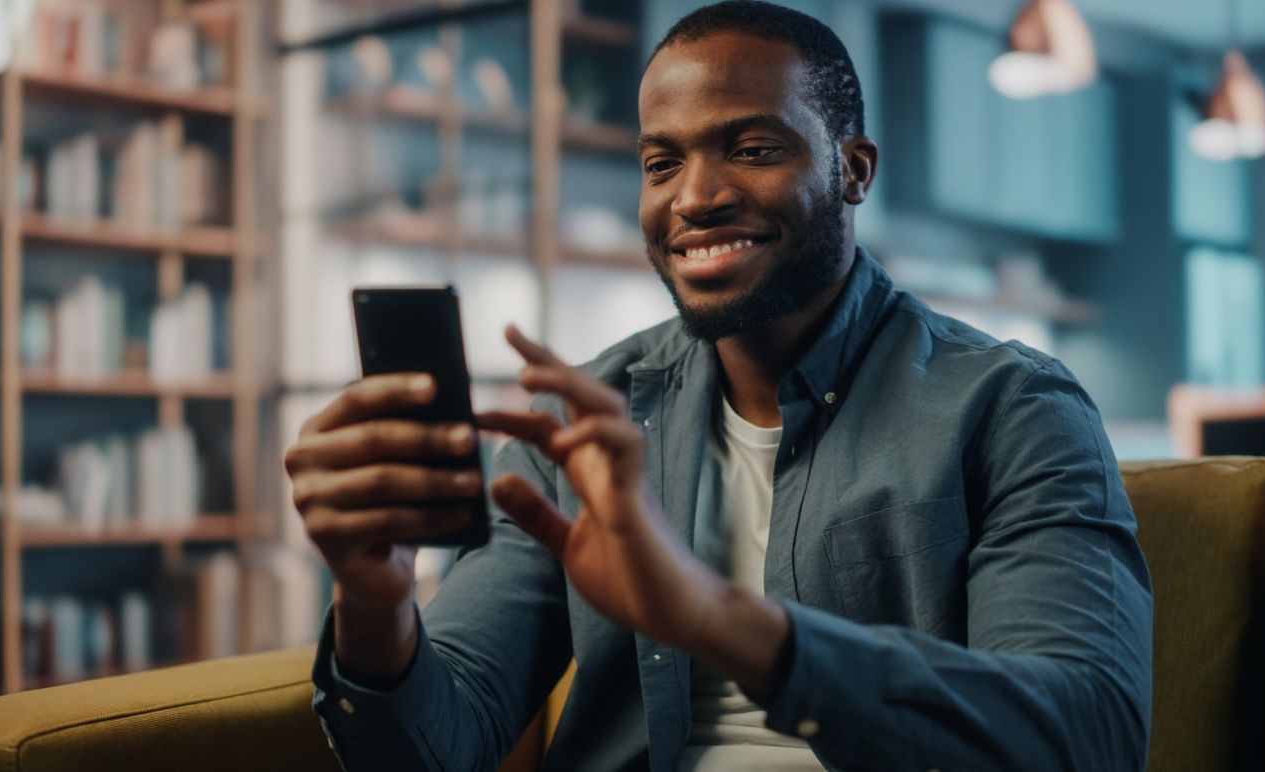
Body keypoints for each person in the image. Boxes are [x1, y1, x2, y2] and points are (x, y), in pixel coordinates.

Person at [283, 2, 1153, 770]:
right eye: (661, 163)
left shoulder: (1011, 409)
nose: (693, 196)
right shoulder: (581, 425)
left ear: (853, 170)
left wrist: (715, 618)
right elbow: (440, 741)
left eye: (752, 147)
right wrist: (374, 599)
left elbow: (1088, 735)